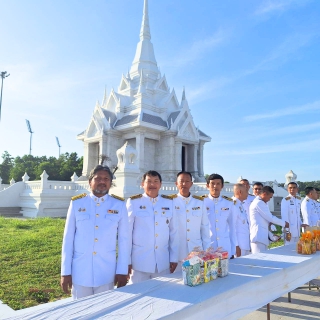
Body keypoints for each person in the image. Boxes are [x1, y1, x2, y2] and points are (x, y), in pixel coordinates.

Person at [61, 165, 129, 300]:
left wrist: (122, 271)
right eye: (98, 179)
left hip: (106, 271)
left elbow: (124, 241)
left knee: (104, 311)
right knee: (80, 311)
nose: (102, 182)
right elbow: (68, 239)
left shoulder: (119, 205)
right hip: (81, 270)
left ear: (110, 182)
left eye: (106, 179)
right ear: (90, 181)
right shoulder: (77, 203)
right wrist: (65, 272)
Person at [127, 170, 178, 283]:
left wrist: (174, 258)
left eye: (156, 181)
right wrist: (126, 261)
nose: (152, 185)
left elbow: (174, 232)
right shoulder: (133, 202)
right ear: (142, 184)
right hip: (139, 262)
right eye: (149, 181)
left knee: (163, 294)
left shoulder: (169, 202)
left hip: (162, 262)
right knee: (138, 296)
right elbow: (127, 233)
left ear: (160, 184)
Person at [173, 171, 211, 269]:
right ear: (176, 183)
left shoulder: (199, 202)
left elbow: (205, 228)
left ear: (191, 184)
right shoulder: (170, 202)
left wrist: (206, 251)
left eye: (187, 181)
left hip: (196, 251)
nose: (184, 184)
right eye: (181, 181)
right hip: (177, 252)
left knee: (196, 279)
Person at [204, 173, 236, 258]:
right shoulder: (202, 202)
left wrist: (233, 250)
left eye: (218, 184)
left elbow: (232, 227)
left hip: (224, 246)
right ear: (207, 185)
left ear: (222, 186)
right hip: (208, 246)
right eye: (213, 183)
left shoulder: (229, 203)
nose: (215, 186)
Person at [250, 186, 289, 254]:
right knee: (260, 260)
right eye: (270, 197)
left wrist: (272, 236)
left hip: (262, 237)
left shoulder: (261, 202)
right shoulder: (259, 203)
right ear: (264, 194)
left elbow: (265, 222)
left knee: (263, 260)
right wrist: (284, 223)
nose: (269, 199)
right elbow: (270, 218)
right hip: (258, 237)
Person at [233, 183, 250, 257]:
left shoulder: (240, 204)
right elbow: (232, 228)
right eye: (246, 191)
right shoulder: (233, 205)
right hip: (239, 246)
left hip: (245, 244)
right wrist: (236, 246)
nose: (248, 193)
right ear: (240, 192)